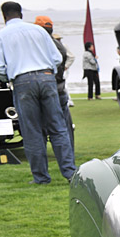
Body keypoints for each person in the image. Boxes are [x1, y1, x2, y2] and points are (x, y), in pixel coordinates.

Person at [0, 1, 76, 185]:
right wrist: (48, 72)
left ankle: (41, 177)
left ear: (4, 16)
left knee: (32, 131)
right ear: (21, 13)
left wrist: (11, 76)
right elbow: (57, 58)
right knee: (58, 128)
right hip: (46, 77)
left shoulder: (1, 35)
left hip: (22, 81)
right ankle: (70, 173)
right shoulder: (39, 31)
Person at [34, 15, 74, 153]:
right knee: (64, 124)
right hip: (59, 86)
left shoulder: (44, 44)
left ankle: (45, 153)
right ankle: (68, 152)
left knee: (44, 124)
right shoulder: (57, 44)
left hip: (51, 86)